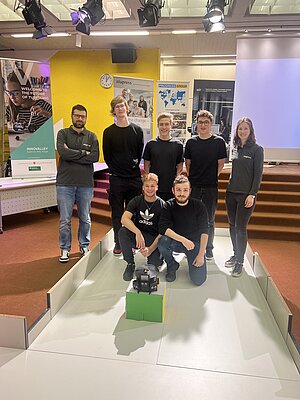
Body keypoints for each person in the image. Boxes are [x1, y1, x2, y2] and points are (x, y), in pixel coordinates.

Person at [56, 104, 99, 263]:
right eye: (77, 115)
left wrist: (72, 153)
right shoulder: (63, 133)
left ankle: (84, 245)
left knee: (85, 218)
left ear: (86, 118)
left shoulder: (92, 136)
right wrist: (83, 153)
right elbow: (63, 152)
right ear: (72, 116)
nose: (80, 119)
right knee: (65, 220)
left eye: (83, 116)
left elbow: (94, 157)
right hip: (65, 184)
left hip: (85, 184)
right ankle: (65, 248)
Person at [102, 96, 144, 255]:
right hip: (117, 179)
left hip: (134, 179)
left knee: (133, 213)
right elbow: (107, 156)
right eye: (116, 107)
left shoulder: (137, 131)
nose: (120, 108)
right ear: (113, 111)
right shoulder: (108, 132)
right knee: (117, 213)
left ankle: (132, 243)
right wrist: (117, 171)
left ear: (127, 108)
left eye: (122, 105)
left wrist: (130, 168)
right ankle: (118, 243)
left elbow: (138, 153)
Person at [184, 109, 227, 262]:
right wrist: (194, 178)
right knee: (192, 217)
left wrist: (210, 176)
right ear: (196, 124)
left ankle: (208, 249)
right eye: (200, 122)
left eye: (206, 122)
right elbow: (187, 164)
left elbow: (221, 164)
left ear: (211, 124)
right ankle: (193, 246)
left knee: (209, 219)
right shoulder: (190, 142)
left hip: (210, 187)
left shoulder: (219, 142)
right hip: (194, 186)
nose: (203, 125)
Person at [225, 117, 264, 277]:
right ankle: (236, 254)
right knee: (232, 226)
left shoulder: (257, 149)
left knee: (241, 229)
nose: (242, 131)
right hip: (231, 193)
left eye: (245, 129)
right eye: (240, 129)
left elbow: (258, 174)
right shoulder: (236, 148)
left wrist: (252, 194)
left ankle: (240, 262)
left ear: (250, 131)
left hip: (246, 196)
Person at [158, 175, 209, 285]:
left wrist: (200, 255)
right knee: (162, 242)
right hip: (177, 242)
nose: (182, 193)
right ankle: (172, 265)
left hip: (194, 244)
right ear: (173, 190)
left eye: (185, 190)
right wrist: (183, 240)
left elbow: (205, 231)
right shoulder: (168, 205)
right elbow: (162, 228)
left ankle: (195, 258)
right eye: (178, 190)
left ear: (190, 190)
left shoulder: (199, 206)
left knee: (198, 280)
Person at [119, 173, 164, 281]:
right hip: (139, 236)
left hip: (153, 238)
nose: (149, 189)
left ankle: (155, 259)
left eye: (152, 186)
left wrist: (151, 249)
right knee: (122, 232)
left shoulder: (162, 205)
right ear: (143, 187)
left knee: (155, 264)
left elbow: (163, 232)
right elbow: (124, 219)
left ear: (157, 187)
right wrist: (137, 232)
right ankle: (130, 263)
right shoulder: (136, 201)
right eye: (147, 186)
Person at [143, 112, 183, 201]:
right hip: (154, 188)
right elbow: (146, 164)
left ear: (171, 125)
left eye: (166, 124)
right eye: (161, 124)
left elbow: (180, 165)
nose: (164, 127)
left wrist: (176, 181)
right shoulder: (151, 144)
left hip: (170, 188)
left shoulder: (178, 145)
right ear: (158, 125)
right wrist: (149, 182)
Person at [4, 68, 52, 132]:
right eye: (8, 93)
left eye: (16, 93)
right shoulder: (9, 110)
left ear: (26, 90)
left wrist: (47, 114)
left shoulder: (42, 106)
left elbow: (60, 122)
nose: (12, 97)